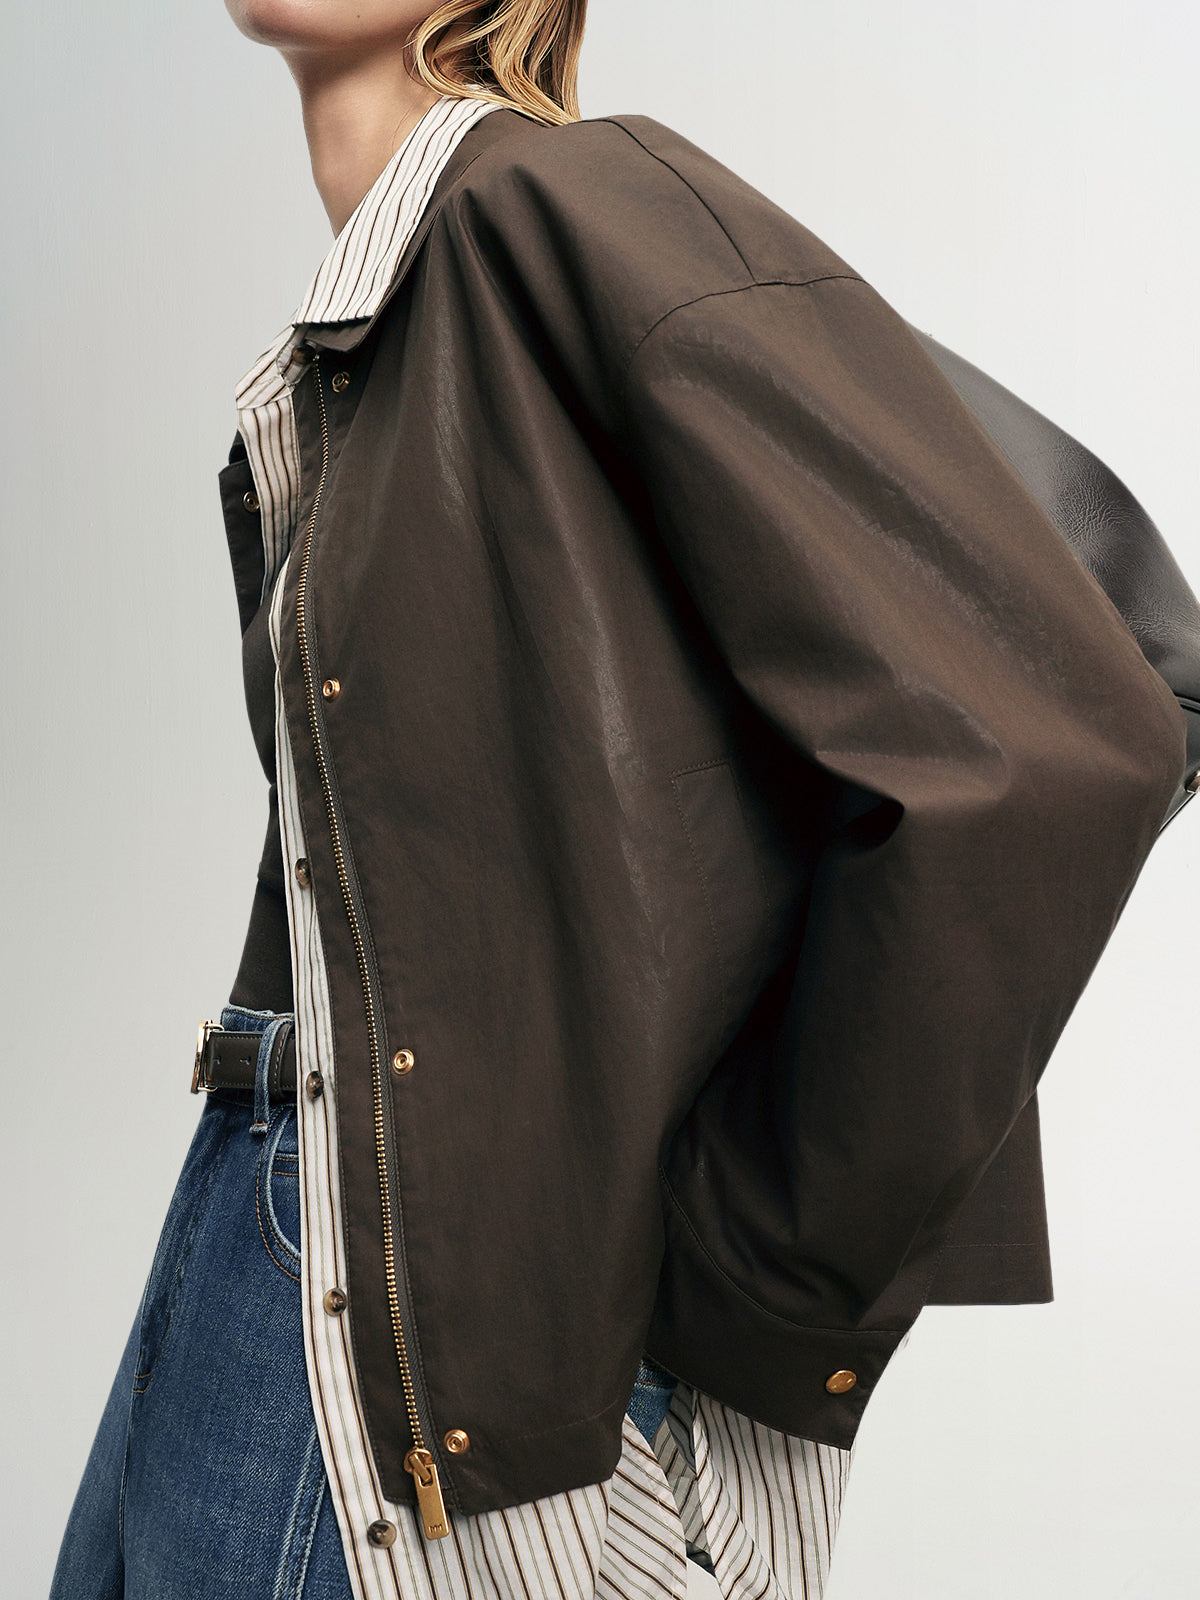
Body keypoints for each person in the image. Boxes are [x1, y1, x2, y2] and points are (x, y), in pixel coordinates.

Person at [49, 2, 1186, 1597]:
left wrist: (757, 1303)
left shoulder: (561, 207)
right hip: (254, 1213)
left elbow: (1061, 738)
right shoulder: (414, 299)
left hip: (380, 1302)